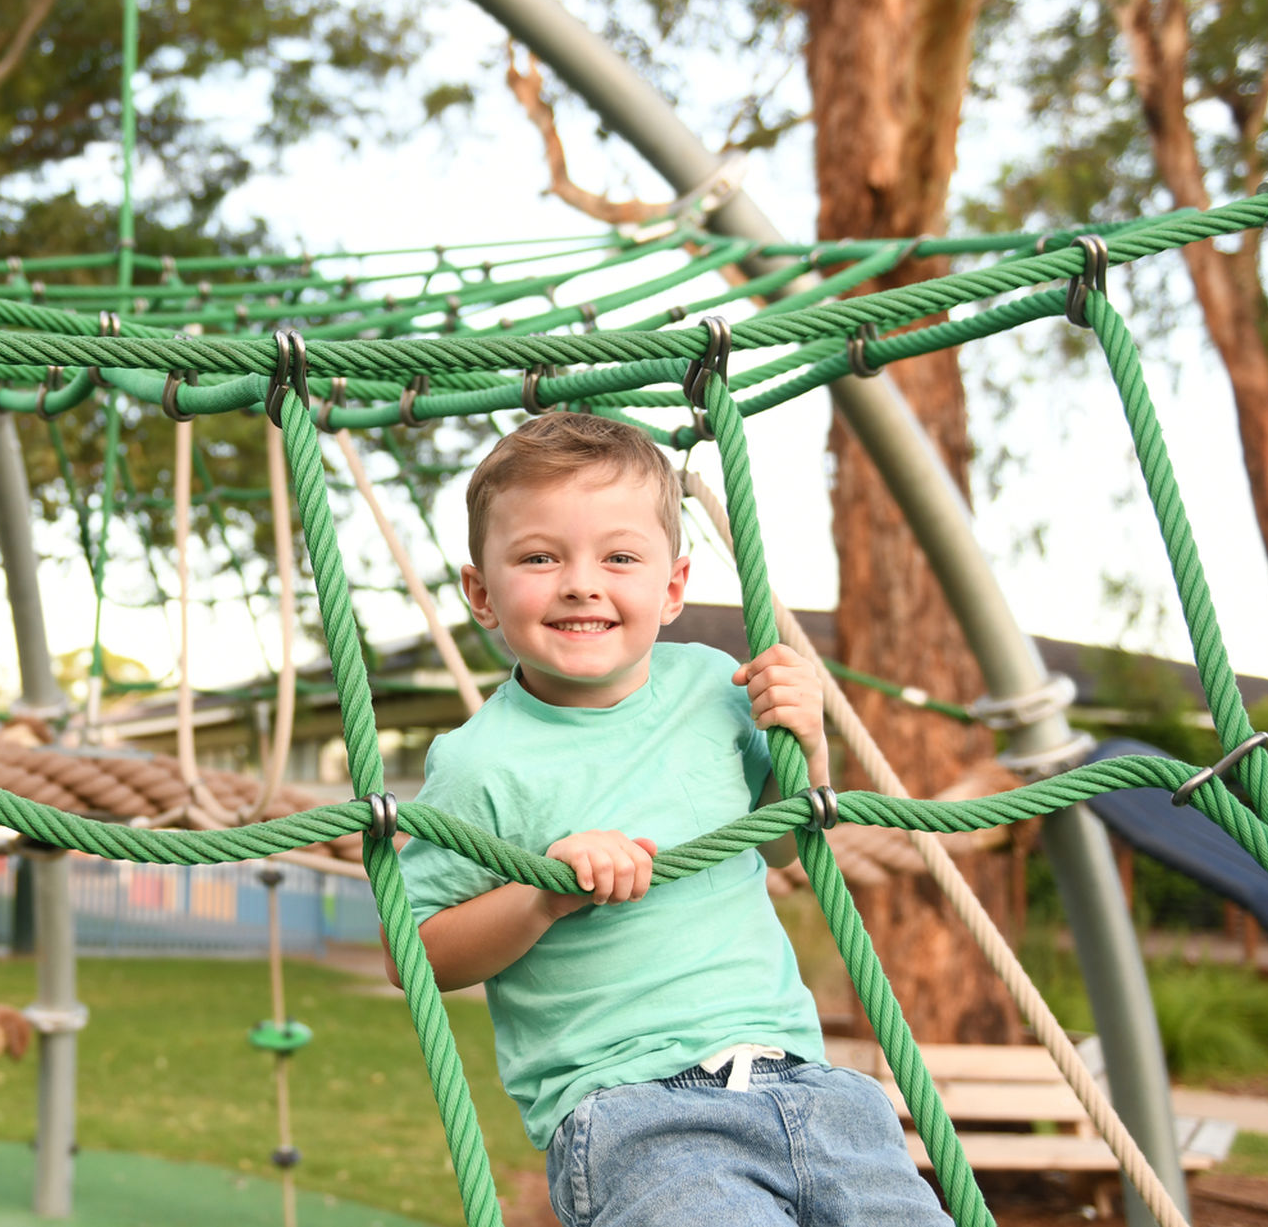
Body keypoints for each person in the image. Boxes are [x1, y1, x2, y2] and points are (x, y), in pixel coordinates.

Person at [391, 412, 950, 1227]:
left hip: (815, 1089)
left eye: (619, 557)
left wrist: (810, 754)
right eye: (541, 557)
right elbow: (415, 950)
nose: (583, 582)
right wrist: (546, 893)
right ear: (482, 592)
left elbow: (789, 844)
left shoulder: (718, 688)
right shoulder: (480, 762)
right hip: (639, 1112)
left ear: (674, 585)